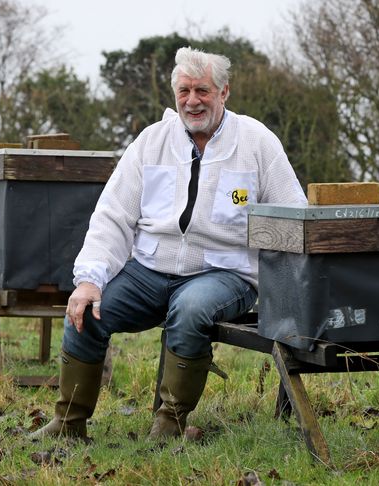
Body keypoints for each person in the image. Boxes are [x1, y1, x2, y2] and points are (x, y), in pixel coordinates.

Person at [31, 46, 307, 440]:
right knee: (85, 309)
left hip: (224, 273)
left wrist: (291, 291)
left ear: (224, 92)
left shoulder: (257, 142)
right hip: (149, 270)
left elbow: (292, 217)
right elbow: (113, 214)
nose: (192, 101)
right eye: (184, 91)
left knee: (191, 308)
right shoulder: (151, 142)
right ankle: (69, 424)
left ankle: (168, 425)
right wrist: (89, 279)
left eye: (203, 91)